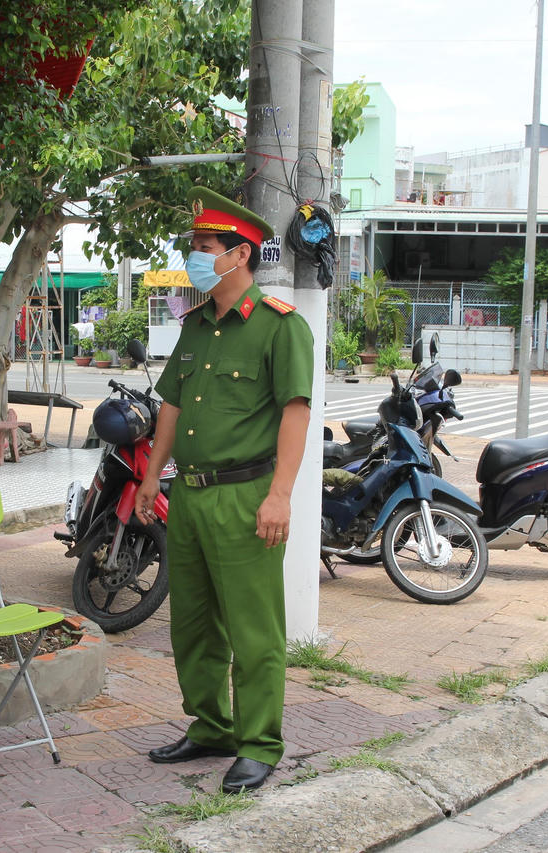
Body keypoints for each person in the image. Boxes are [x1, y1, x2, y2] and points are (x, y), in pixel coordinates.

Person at [134, 187, 314, 793]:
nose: (195, 257)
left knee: (252, 627)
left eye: (205, 247)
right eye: (195, 248)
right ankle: (211, 725)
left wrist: (281, 495)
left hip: (246, 494)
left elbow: (295, 413)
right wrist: (151, 475)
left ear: (239, 255)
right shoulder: (197, 326)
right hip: (189, 494)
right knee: (192, 620)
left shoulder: (279, 327)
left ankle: (259, 741)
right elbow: (171, 407)